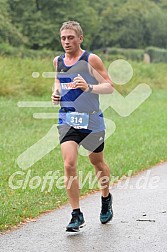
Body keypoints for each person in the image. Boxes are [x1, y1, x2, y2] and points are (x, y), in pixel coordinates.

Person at [51, 21, 114, 232]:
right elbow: (59, 81)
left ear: (80, 38)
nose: (66, 42)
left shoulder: (91, 59)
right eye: (63, 38)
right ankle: (76, 214)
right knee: (69, 164)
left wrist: (89, 87)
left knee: (97, 162)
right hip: (67, 118)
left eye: (70, 37)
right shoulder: (58, 61)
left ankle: (106, 198)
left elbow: (109, 86)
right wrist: (56, 92)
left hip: (92, 119)